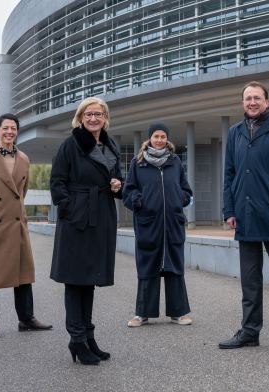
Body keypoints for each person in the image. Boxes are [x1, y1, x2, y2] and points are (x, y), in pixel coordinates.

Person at [219, 82, 269, 356]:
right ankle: (250, 331)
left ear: (267, 101)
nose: (252, 102)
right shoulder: (235, 133)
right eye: (247, 98)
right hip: (245, 215)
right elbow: (229, 174)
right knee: (250, 280)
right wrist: (229, 210)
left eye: (257, 98)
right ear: (242, 103)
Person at [49, 97, 123, 365]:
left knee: (89, 279)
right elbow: (57, 182)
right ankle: (77, 339)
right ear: (80, 117)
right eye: (88, 114)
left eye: (99, 114)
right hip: (78, 219)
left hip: (101, 216)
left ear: (105, 118)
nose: (94, 118)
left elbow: (119, 178)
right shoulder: (70, 145)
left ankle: (88, 337)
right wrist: (70, 209)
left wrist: (118, 184)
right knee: (75, 279)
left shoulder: (110, 144)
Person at [0, 113, 52, 339]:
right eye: (5, 128)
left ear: (17, 132)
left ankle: (26, 318)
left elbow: (21, 193)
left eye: (13, 129)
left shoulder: (24, 159)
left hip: (16, 224)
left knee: (23, 272)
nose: (9, 132)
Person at [122, 122, 194, 328]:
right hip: (148, 224)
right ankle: (142, 313)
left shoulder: (175, 162)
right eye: (156, 136)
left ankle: (178, 313)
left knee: (174, 268)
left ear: (167, 139)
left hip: (173, 224)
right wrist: (140, 202)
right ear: (150, 139)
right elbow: (128, 191)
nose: (160, 140)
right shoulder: (139, 162)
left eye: (163, 136)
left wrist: (179, 198)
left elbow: (186, 190)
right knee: (148, 267)